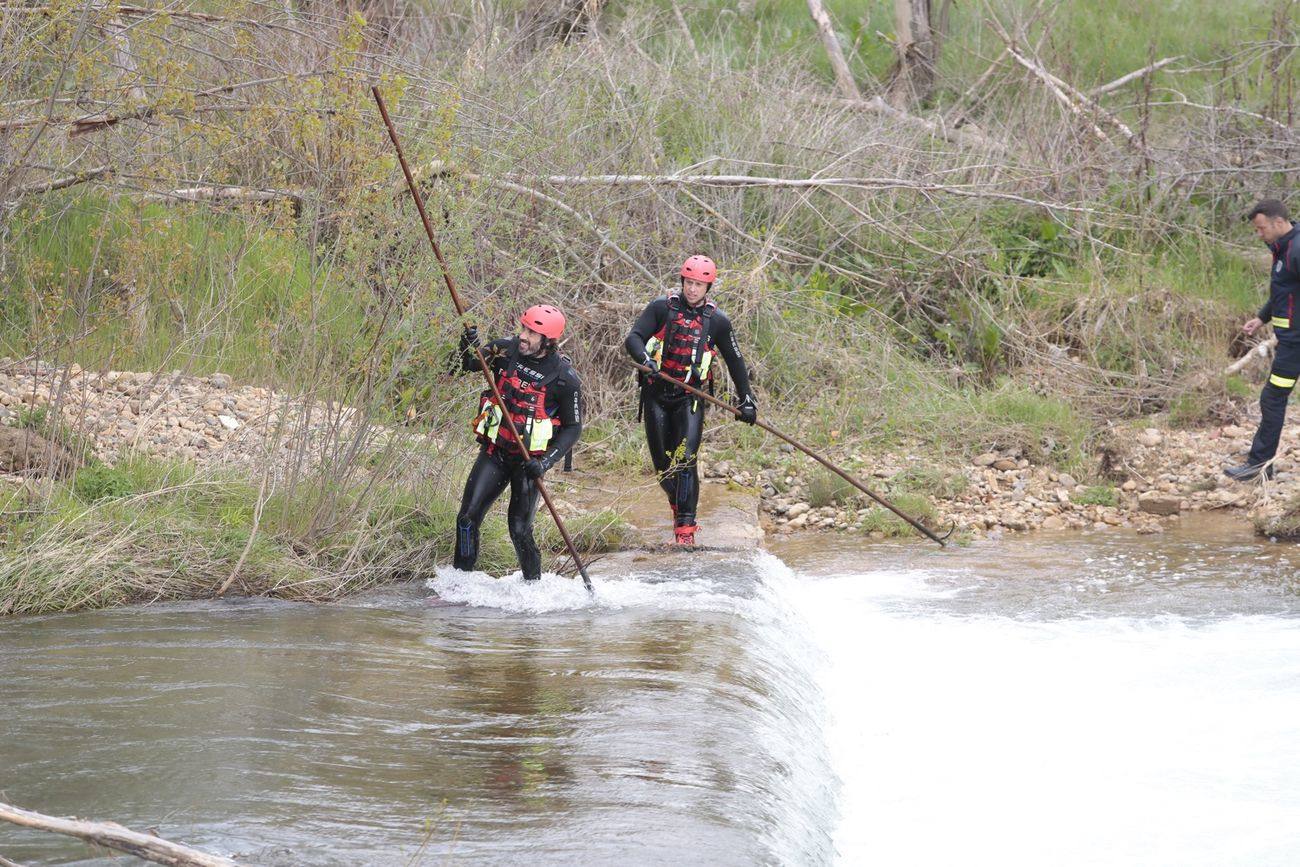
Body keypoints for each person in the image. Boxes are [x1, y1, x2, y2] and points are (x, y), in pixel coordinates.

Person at [624, 255, 757, 546]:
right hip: (656, 395)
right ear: (682, 281)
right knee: (663, 465)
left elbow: (735, 361)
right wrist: (645, 359)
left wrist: (746, 399)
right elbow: (633, 338)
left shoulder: (718, 322)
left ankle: (685, 528)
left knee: (686, 459)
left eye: (699, 284)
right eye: (689, 282)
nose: (692, 289)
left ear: (708, 287)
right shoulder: (662, 308)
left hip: (690, 397)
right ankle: (677, 503)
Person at [454, 304, 583, 580]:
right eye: (523, 328)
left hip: (528, 464)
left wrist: (545, 462)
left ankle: (533, 589)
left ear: (548, 342)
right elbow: (467, 364)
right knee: (466, 520)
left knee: (519, 531)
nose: (523, 336)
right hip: (495, 453)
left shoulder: (565, 379)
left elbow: (573, 428)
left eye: (532, 333)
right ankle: (459, 585)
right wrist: (468, 345)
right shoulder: (503, 350)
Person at [1226, 199, 1300, 482]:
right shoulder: (1282, 248)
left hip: (1296, 344)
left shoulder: (1296, 249)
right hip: (1291, 343)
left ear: (1279, 223)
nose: (1260, 235)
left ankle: (1258, 466)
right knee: (1273, 398)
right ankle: (1259, 465)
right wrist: (1261, 318)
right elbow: (1285, 290)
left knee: (1272, 398)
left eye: (1261, 228)